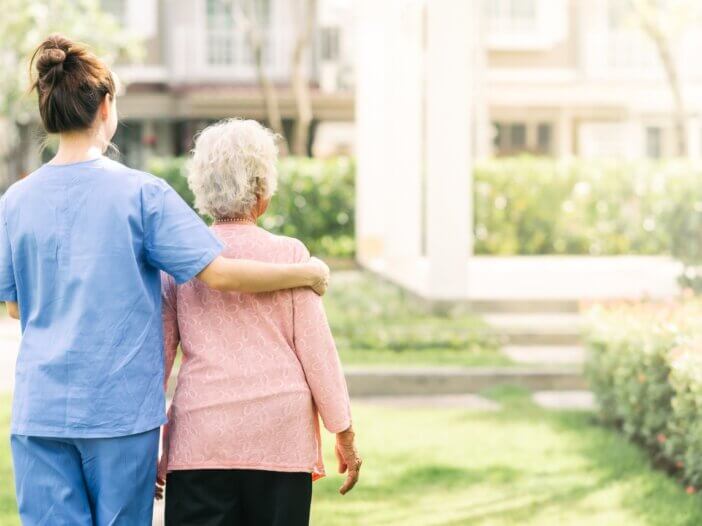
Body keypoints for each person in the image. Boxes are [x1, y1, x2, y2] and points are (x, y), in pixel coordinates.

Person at [0, 35, 330, 526]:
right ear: (106, 106)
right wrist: (304, 272)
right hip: (118, 414)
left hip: (40, 410)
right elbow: (217, 272)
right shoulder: (142, 194)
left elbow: (15, 308)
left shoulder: (15, 201)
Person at [155, 119, 361, 526]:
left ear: (203, 188)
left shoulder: (181, 261)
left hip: (201, 438)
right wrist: (345, 434)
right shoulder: (290, 256)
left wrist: (147, 447)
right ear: (262, 191)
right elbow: (318, 354)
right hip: (280, 438)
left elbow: (156, 361)